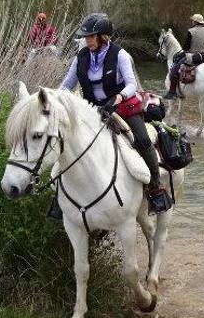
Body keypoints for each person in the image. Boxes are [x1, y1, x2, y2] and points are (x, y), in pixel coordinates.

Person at [56, 13, 172, 218]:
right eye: (86, 37)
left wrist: (117, 98)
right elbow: (67, 85)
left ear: (104, 37)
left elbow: (131, 84)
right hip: (91, 110)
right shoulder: (80, 58)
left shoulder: (120, 55)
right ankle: (61, 195)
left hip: (121, 107)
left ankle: (155, 187)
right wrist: (52, 98)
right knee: (65, 141)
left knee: (143, 140)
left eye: (91, 36)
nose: (87, 40)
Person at [164, 13, 204, 100]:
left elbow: (186, 47)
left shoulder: (191, 31)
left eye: (192, 21)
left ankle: (172, 93)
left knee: (173, 71)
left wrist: (184, 52)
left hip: (193, 56)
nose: (192, 22)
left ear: (195, 22)